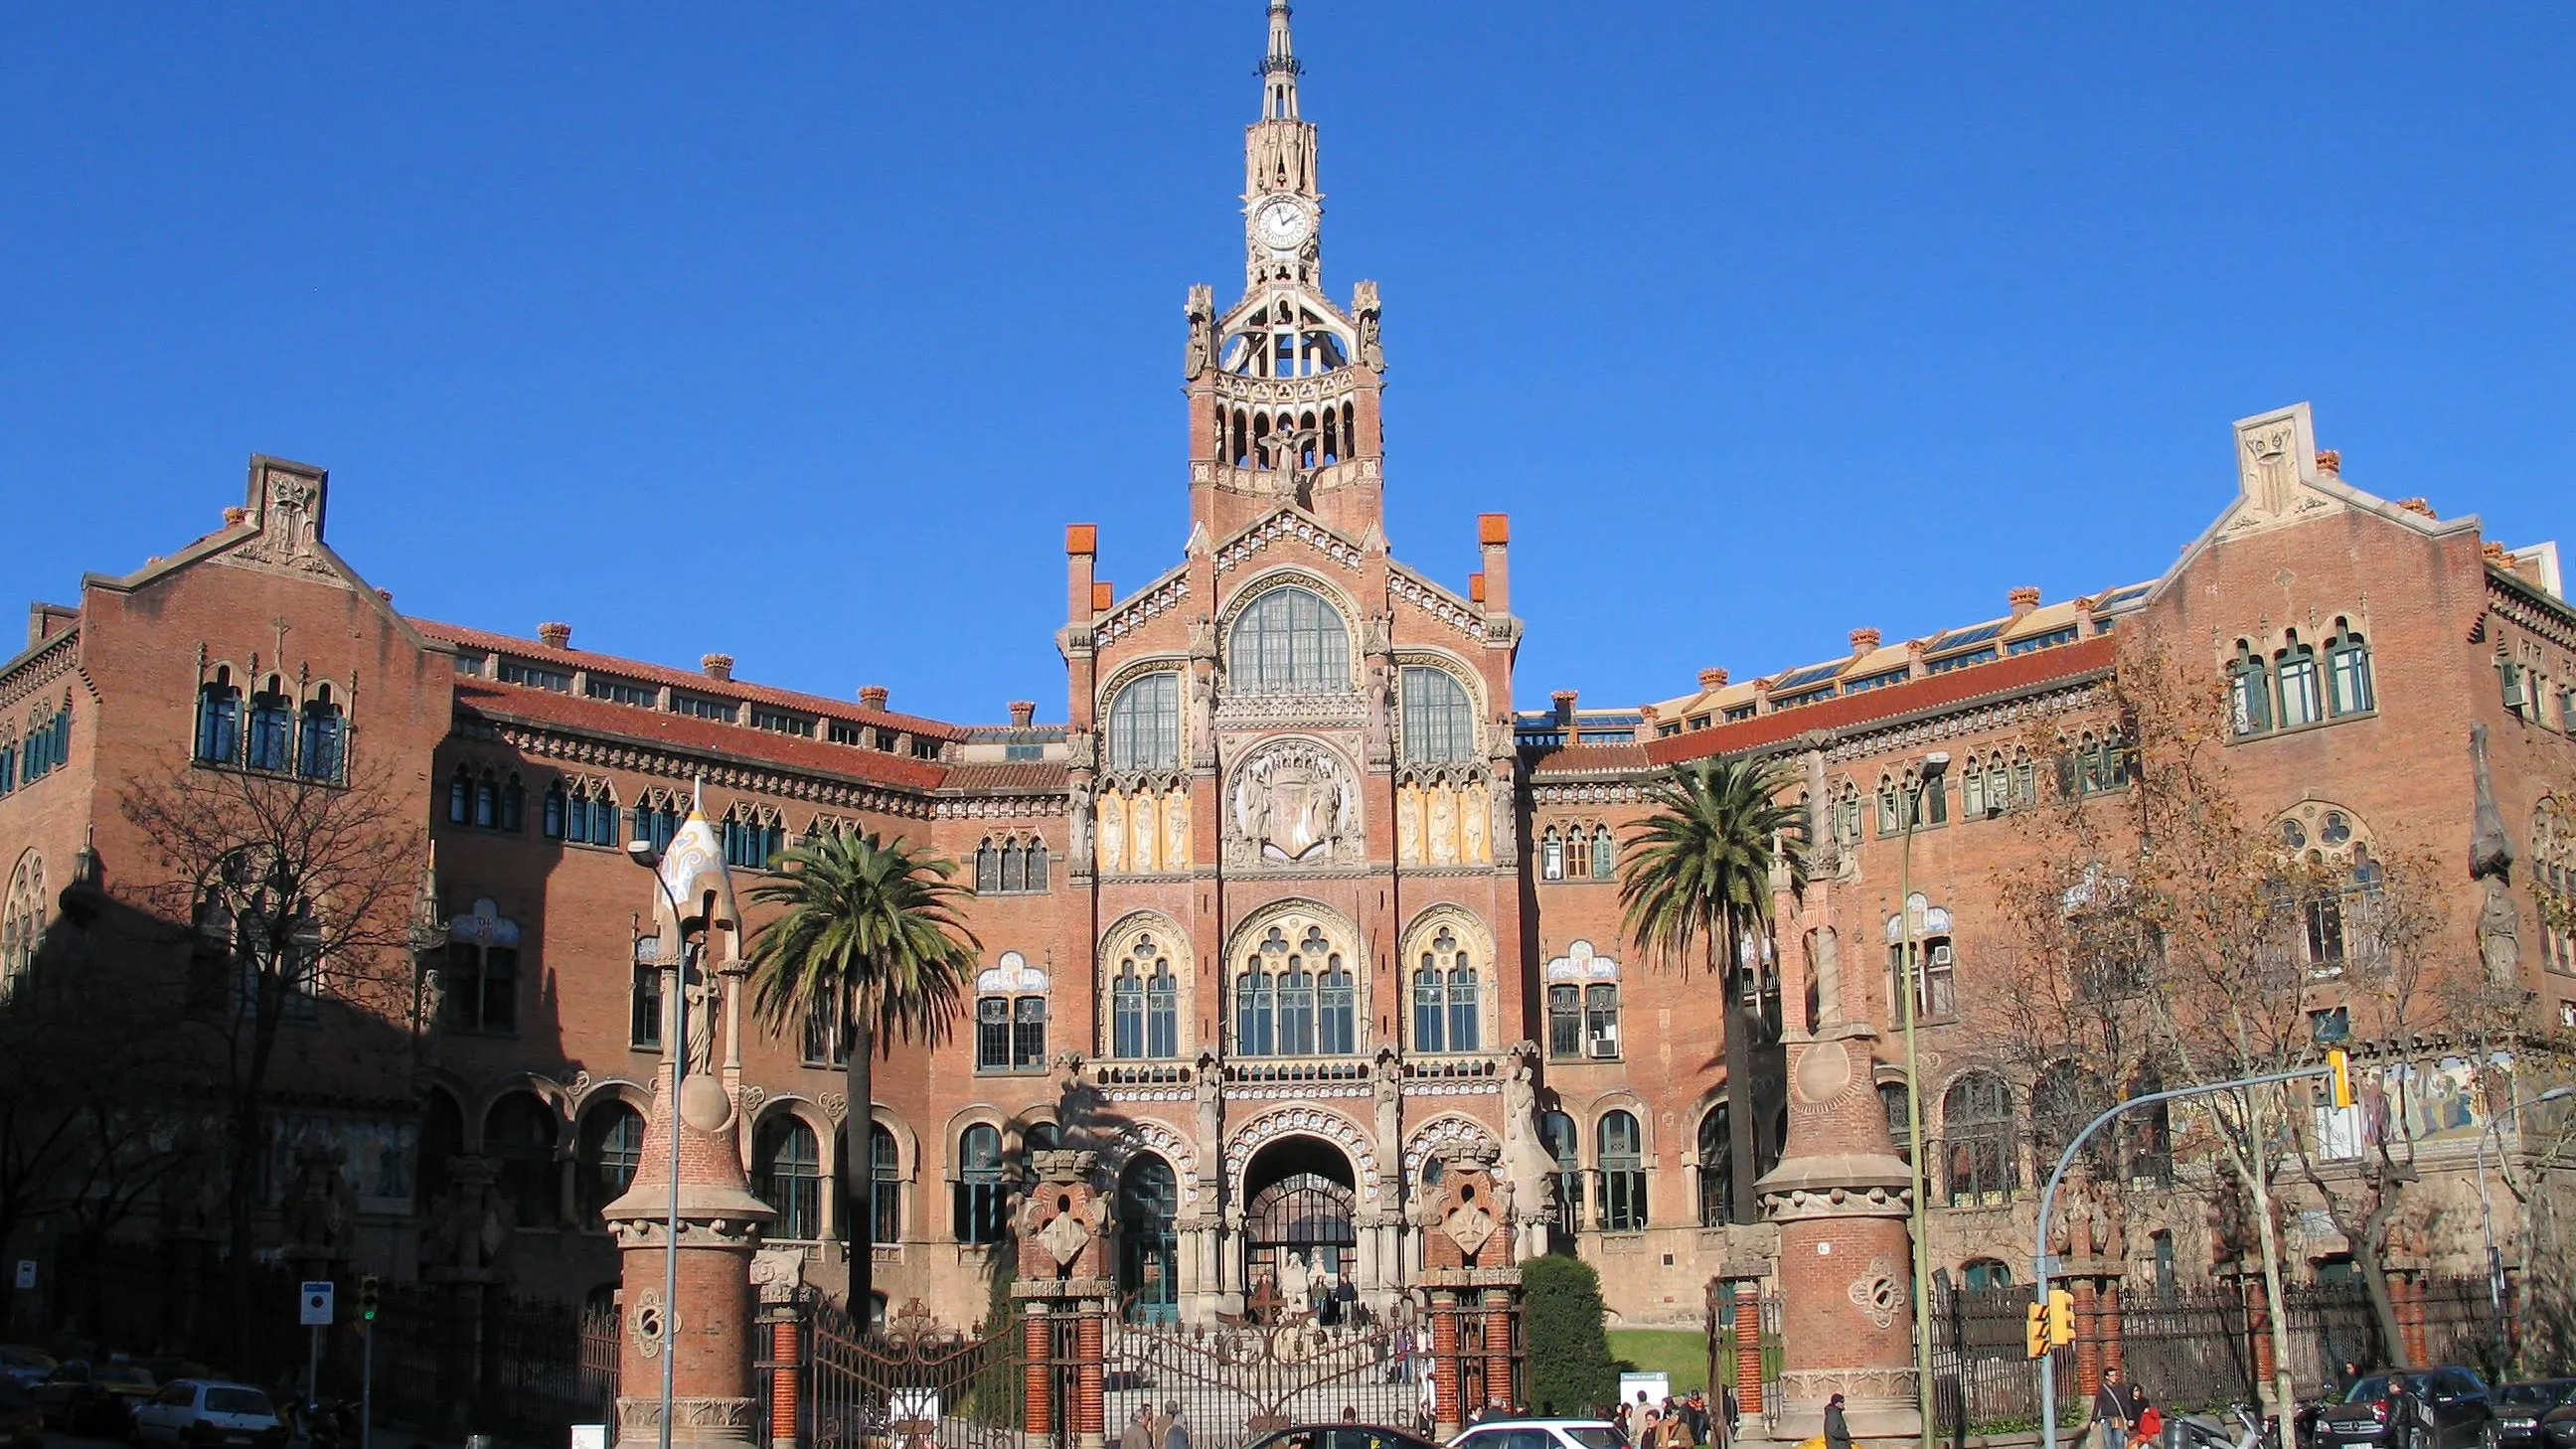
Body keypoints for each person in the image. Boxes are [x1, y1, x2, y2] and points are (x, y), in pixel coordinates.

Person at [2095, 1367, 2139, 1449]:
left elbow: (2127, 1403)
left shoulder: (2121, 1387)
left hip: (2118, 1419)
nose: (2114, 1377)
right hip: (2106, 1419)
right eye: (2111, 1375)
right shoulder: (2102, 1388)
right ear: (2106, 1377)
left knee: (2119, 1442)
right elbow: (2097, 1404)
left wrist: (2130, 1418)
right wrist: (2093, 1419)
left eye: (2115, 1375)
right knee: (2108, 1443)